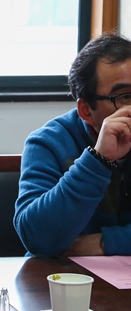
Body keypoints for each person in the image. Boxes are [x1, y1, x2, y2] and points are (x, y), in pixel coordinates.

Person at [14, 32, 131, 257]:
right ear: (86, 110)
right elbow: (38, 239)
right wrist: (99, 160)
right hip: (65, 275)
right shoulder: (49, 143)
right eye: (125, 97)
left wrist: (105, 242)